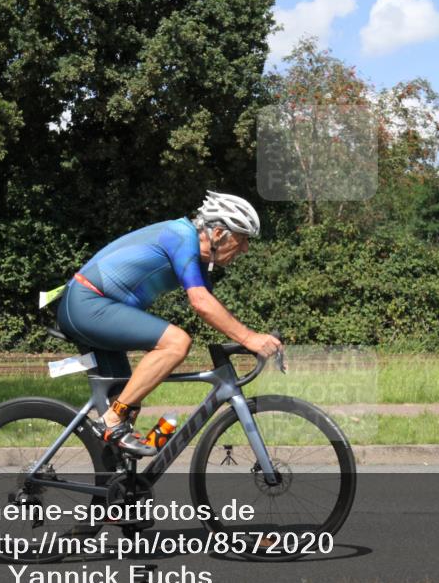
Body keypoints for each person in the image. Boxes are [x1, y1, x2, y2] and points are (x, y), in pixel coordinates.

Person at [56, 191, 282, 456]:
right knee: (176, 343)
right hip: (86, 304)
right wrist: (249, 338)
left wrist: (249, 339)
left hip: (95, 307)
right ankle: (111, 419)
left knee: (129, 401)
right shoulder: (181, 236)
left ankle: (117, 474)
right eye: (242, 239)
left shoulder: (197, 256)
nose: (245, 248)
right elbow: (200, 303)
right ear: (219, 233)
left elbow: (214, 309)